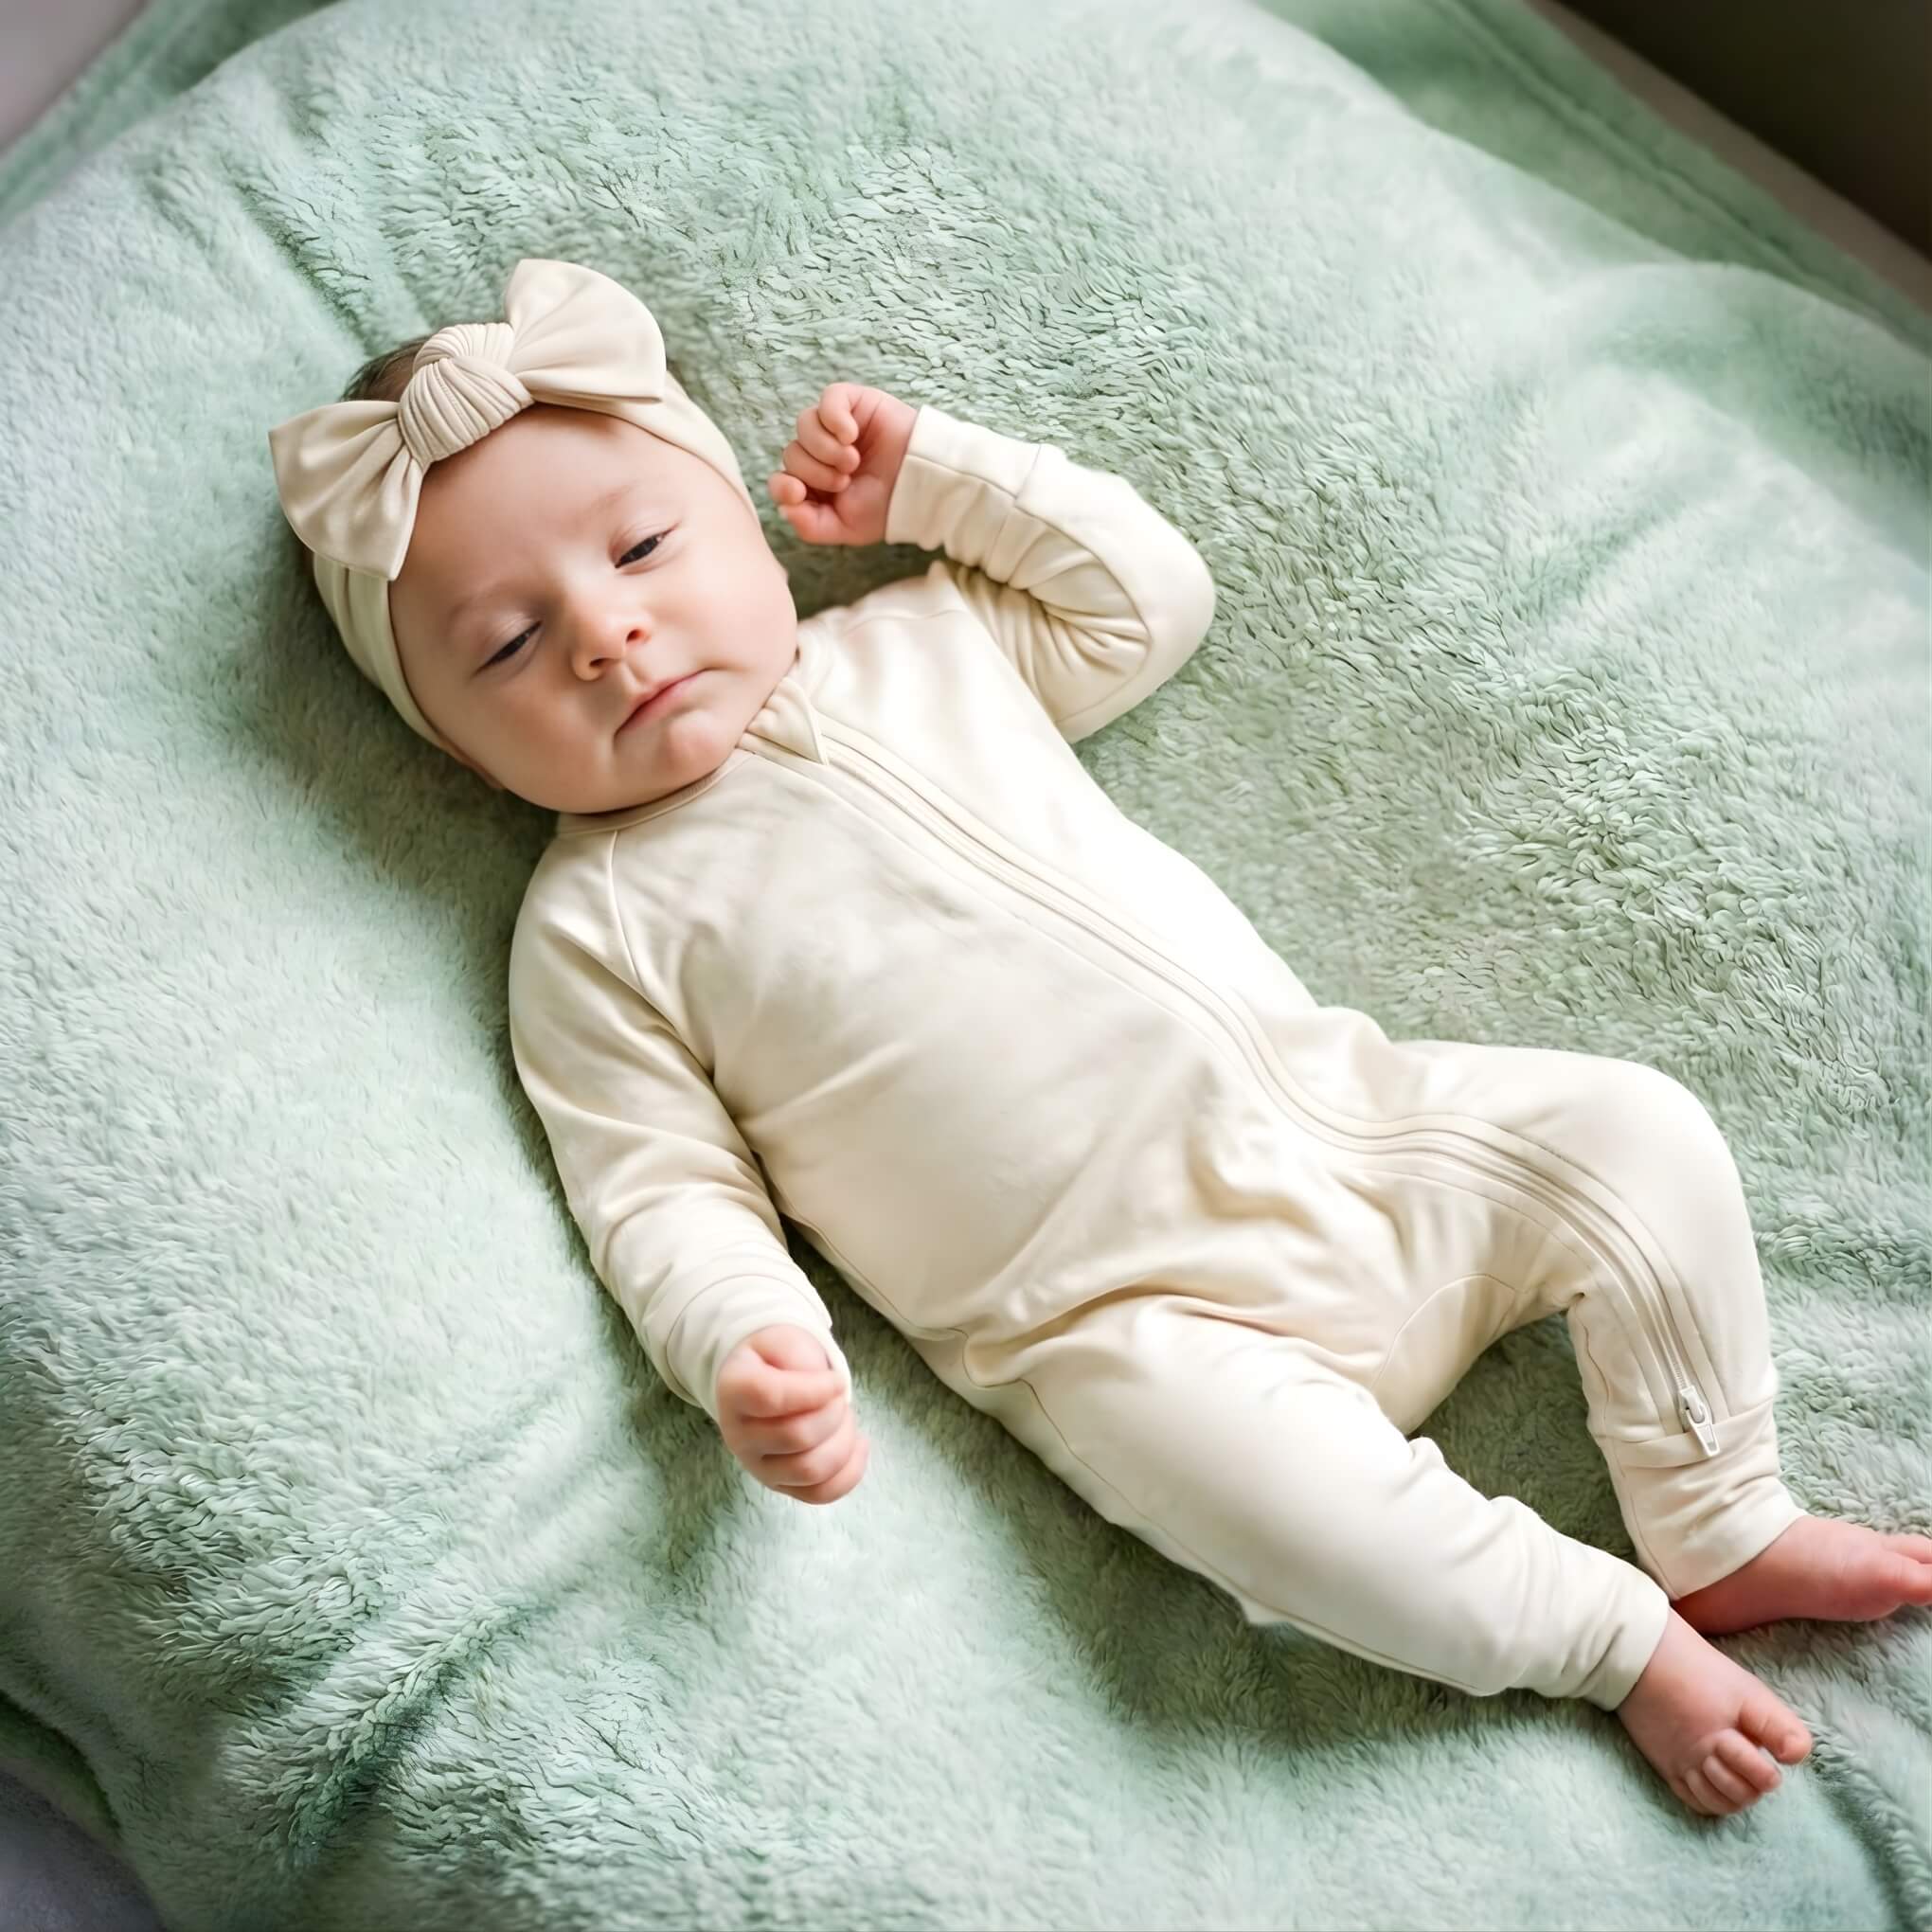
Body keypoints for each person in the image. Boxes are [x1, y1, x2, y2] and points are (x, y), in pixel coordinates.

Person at [268, 256, 1932, 1821]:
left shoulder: (921, 639)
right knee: (1296, 1529)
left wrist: (933, 484)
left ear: (747, 534)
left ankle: (1718, 1514)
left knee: (1636, 1139)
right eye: (504, 645)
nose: (602, 633)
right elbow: (661, 1200)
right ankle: (1619, 1638)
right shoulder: (593, 934)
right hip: (1129, 1329)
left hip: (1363, 1132)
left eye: (639, 552)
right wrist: (740, 1352)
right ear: (463, 761)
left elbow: (1146, 599)